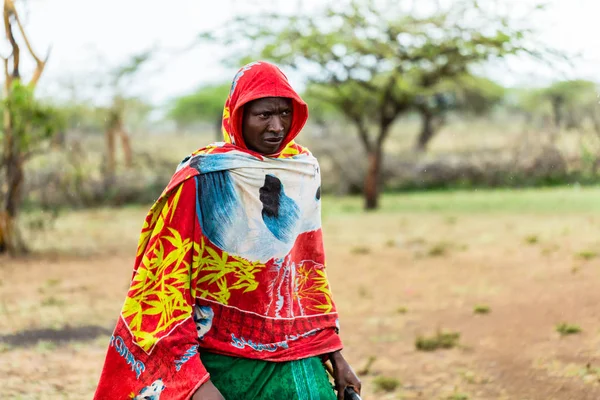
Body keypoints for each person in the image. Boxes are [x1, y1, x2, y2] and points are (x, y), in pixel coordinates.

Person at [93, 61, 361, 400]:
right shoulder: (202, 177)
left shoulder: (302, 170)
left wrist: (334, 353)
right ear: (238, 115)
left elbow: (306, 273)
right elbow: (162, 282)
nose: (276, 126)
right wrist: (193, 381)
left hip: (296, 356)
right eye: (263, 115)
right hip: (219, 359)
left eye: (284, 113)